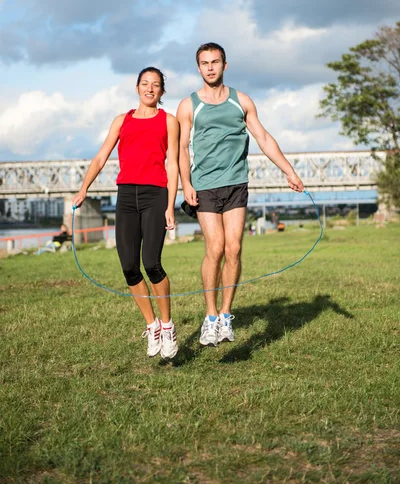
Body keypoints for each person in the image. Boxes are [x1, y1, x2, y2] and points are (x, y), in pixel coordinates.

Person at [177, 43, 304, 347]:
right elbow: (181, 148)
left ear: (225, 65)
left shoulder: (241, 101)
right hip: (205, 184)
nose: (210, 67)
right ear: (198, 68)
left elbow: (262, 137)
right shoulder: (188, 106)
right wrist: (186, 184)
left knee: (234, 248)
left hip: (236, 183)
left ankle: (224, 315)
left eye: (215, 62)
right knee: (216, 248)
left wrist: (289, 170)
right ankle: (209, 318)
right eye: (204, 63)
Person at [72, 67, 179, 359]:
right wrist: (84, 189)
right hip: (126, 196)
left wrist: (170, 205)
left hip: (155, 194)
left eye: (156, 85)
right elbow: (101, 155)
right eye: (145, 83)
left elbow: (173, 165)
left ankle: (168, 326)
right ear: (137, 88)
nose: (150, 89)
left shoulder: (169, 121)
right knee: (129, 267)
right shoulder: (122, 120)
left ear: (161, 91)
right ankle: (152, 325)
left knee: (151, 262)